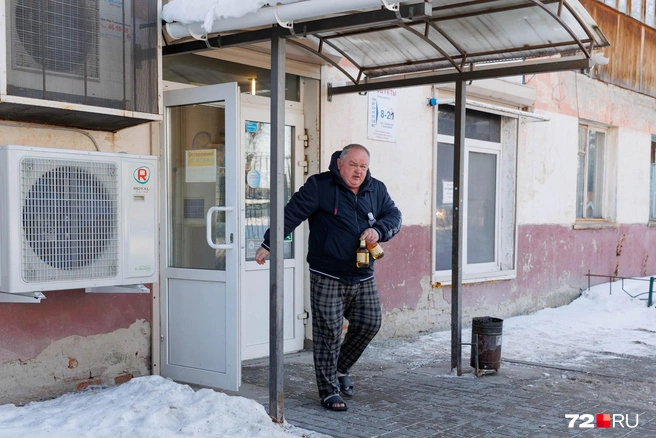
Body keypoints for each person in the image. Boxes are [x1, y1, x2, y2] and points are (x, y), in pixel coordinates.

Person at [255, 144, 402, 412]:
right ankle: (328, 390)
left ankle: (341, 367)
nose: (358, 171)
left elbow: (394, 216)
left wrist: (378, 231)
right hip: (327, 274)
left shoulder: (376, 189)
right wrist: (269, 244)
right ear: (340, 163)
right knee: (328, 333)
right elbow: (290, 214)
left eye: (363, 166)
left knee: (370, 323)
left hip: (362, 274)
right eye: (353, 165)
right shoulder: (319, 186)